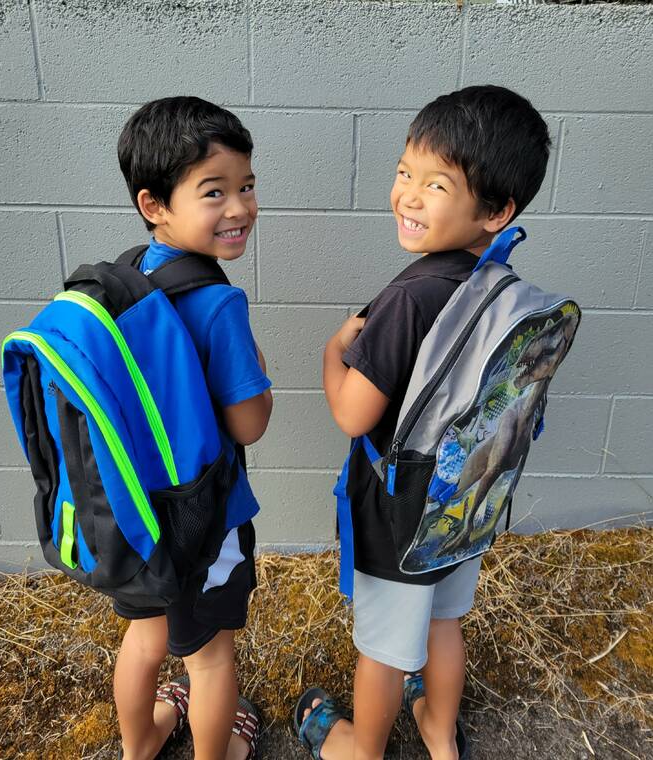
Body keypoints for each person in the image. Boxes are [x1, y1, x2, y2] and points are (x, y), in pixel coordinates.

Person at [295, 85, 551, 760]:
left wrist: (331, 354)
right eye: (404, 172)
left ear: (494, 211)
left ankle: (361, 747)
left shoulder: (409, 298)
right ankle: (440, 734)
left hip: (399, 513)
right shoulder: (499, 288)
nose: (407, 195)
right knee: (444, 623)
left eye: (436, 184)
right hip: (465, 499)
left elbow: (353, 413)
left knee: (383, 651)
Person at [113, 96, 273, 760]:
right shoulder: (217, 303)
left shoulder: (126, 276)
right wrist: (256, 365)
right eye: (214, 191)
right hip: (203, 516)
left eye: (246, 186)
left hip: (133, 510)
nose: (239, 207)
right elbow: (249, 423)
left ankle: (140, 743)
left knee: (145, 639)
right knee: (209, 657)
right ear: (155, 204)